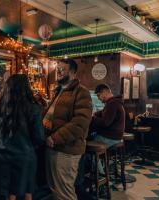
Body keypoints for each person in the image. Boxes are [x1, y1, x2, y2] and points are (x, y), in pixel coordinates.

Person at [0, 74, 44, 200]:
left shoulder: (1, 107)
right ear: (26, 88)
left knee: (10, 194)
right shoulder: (33, 108)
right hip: (25, 157)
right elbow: (39, 137)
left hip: (4, 157)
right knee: (27, 193)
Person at [43, 59, 92, 200]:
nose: (58, 72)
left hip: (66, 149)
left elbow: (80, 123)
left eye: (62, 69)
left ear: (72, 72)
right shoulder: (59, 91)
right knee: (55, 189)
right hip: (53, 147)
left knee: (65, 192)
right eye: (57, 69)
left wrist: (55, 138)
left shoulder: (82, 92)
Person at [91, 83, 125, 148]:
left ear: (104, 92)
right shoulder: (113, 102)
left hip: (111, 137)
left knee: (85, 142)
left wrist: (92, 118)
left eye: (98, 95)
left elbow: (105, 123)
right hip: (115, 136)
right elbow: (103, 112)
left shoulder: (112, 104)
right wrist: (95, 113)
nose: (98, 98)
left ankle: (88, 158)